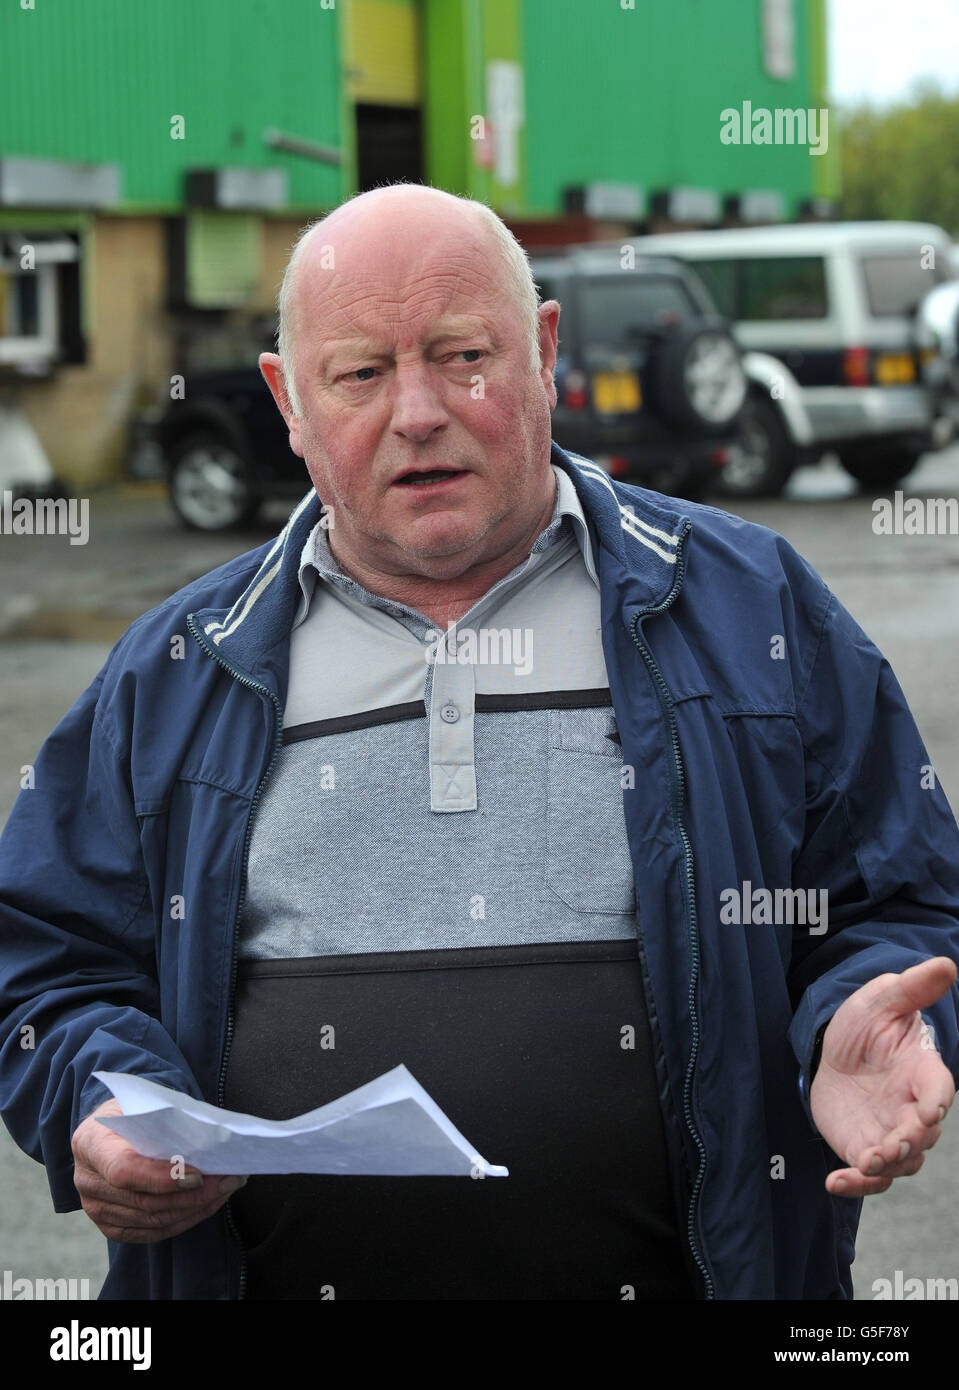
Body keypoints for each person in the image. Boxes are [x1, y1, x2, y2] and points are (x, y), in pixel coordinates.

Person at [1, 183, 958, 1301]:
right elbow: (45, 962)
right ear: (287, 401)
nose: (415, 413)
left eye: (461, 354)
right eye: (359, 373)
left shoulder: (752, 607)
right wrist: (101, 1096)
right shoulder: (177, 665)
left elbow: (899, 899)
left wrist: (864, 1017)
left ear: (543, 348)